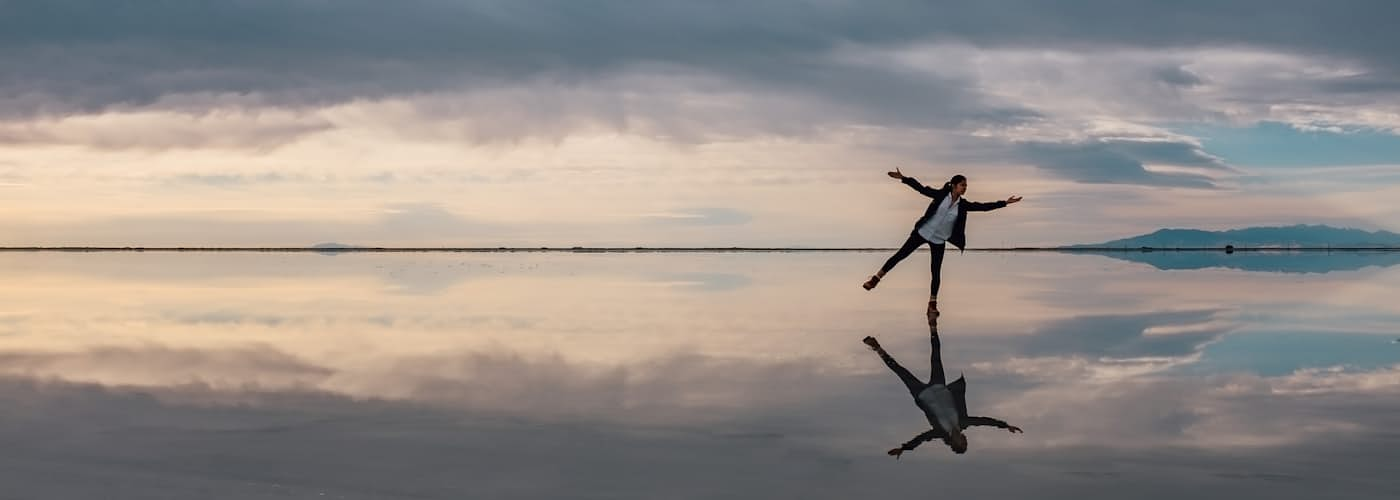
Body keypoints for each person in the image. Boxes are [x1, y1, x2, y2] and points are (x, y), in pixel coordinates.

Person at [862, 169, 1022, 316]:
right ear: (954, 185)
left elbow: (983, 207)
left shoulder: (963, 205)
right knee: (900, 255)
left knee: (935, 272)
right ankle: (875, 279)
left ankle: (932, 304)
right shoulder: (940, 196)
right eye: (962, 185)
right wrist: (903, 178)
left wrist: (1004, 203)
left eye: (966, 185)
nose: (965, 188)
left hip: (939, 240)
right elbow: (921, 189)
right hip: (923, 232)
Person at [862, 316, 1022, 457]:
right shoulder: (964, 422)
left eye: (962, 443)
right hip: (939, 387)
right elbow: (983, 421)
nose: (965, 440)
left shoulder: (939, 431)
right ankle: (933, 326)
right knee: (936, 355)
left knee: (900, 371)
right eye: (965, 442)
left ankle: (878, 349)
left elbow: (922, 438)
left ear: (954, 443)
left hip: (922, 394)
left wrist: (905, 448)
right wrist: (1004, 425)